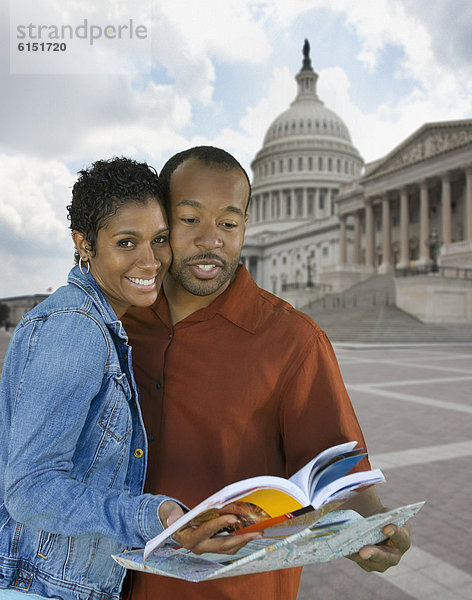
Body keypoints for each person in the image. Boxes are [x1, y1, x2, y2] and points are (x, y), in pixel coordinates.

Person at [123, 146, 411, 600]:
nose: (211, 240)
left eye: (229, 223)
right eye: (190, 219)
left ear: (245, 228)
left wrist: (371, 528)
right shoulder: (115, 324)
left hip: (237, 590)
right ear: (160, 223)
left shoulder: (293, 340)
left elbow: (340, 475)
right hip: (109, 584)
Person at [0, 157, 254, 600]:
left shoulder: (100, 323)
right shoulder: (75, 327)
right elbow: (30, 490)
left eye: (158, 239)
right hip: (38, 587)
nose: (150, 259)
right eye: (125, 242)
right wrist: (156, 517)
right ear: (84, 244)